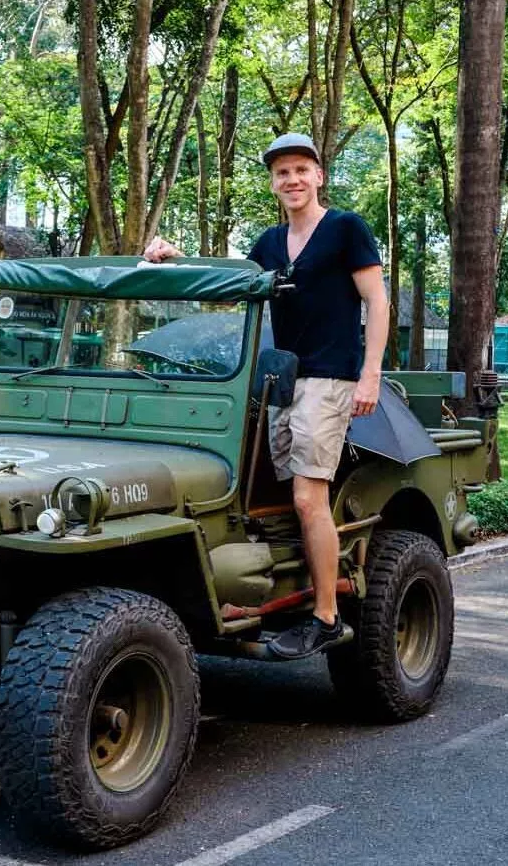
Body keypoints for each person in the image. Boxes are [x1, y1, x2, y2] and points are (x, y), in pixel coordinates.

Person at [144, 132, 389, 659]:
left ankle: (325, 615)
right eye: (283, 173)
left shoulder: (347, 228)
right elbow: (229, 283)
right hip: (282, 377)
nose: (293, 180)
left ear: (319, 175)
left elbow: (377, 301)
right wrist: (171, 257)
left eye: (302, 169)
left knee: (307, 495)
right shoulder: (270, 243)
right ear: (274, 183)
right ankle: (273, 586)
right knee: (269, 489)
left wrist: (370, 376)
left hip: (330, 376)